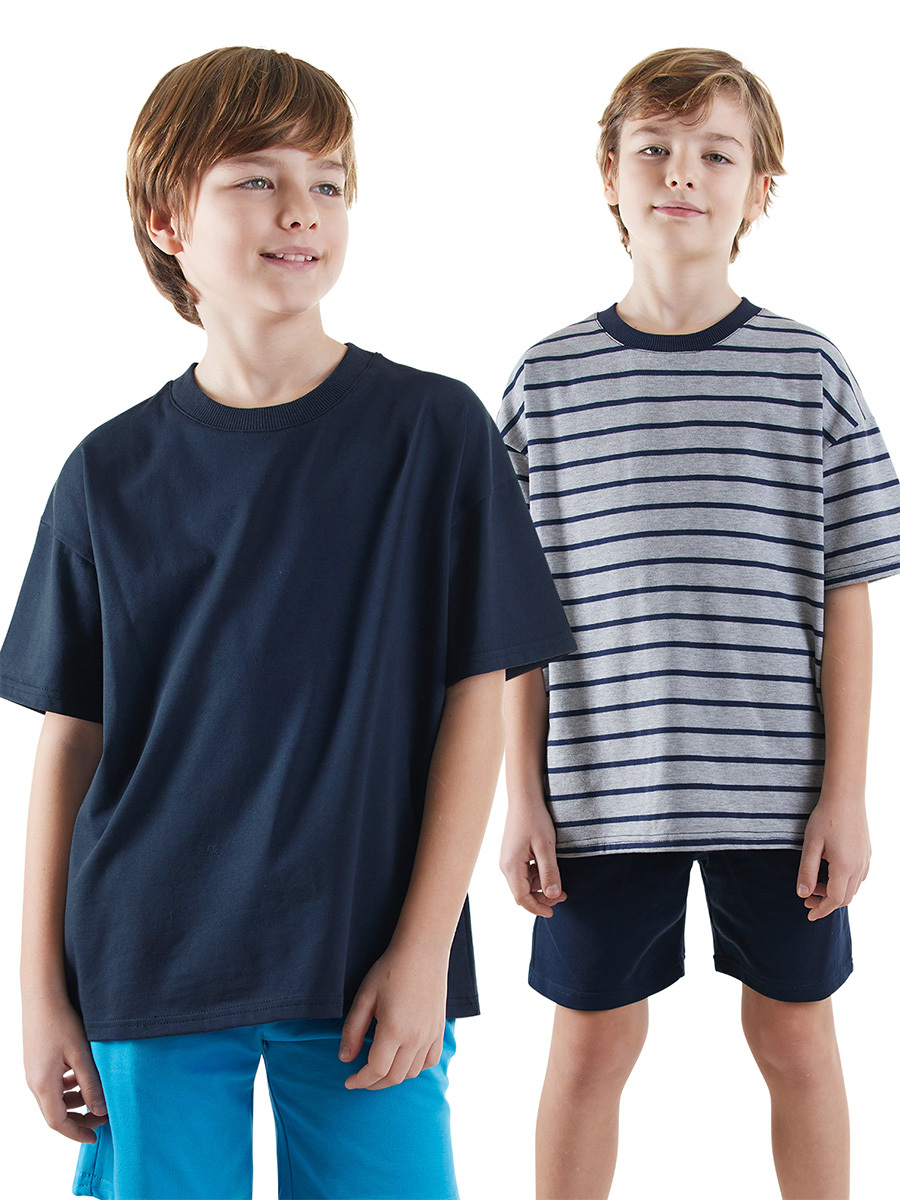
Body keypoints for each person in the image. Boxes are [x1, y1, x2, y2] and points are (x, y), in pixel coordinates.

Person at [0, 45, 576, 1200]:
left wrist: (423, 949)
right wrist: (39, 993)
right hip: (148, 960)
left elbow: (481, 692)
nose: (301, 209)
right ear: (168, 220)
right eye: (256, 179)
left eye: (328, 181)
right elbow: (71, 742)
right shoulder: (107, 474)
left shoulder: (433, 434)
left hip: (364, 959)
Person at [497, 46, 900, 1200]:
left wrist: (846, 794)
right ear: (608, 176)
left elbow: (849, 597)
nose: (683, 173)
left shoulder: (810, 371)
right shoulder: (545, 382)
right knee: (589, 1048)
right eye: (655, 149)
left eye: (717, 154)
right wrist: (522, 797)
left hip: (778, 790)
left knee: (797, 1039)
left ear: (758, 188)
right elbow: (514, 621)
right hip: (601, 789)